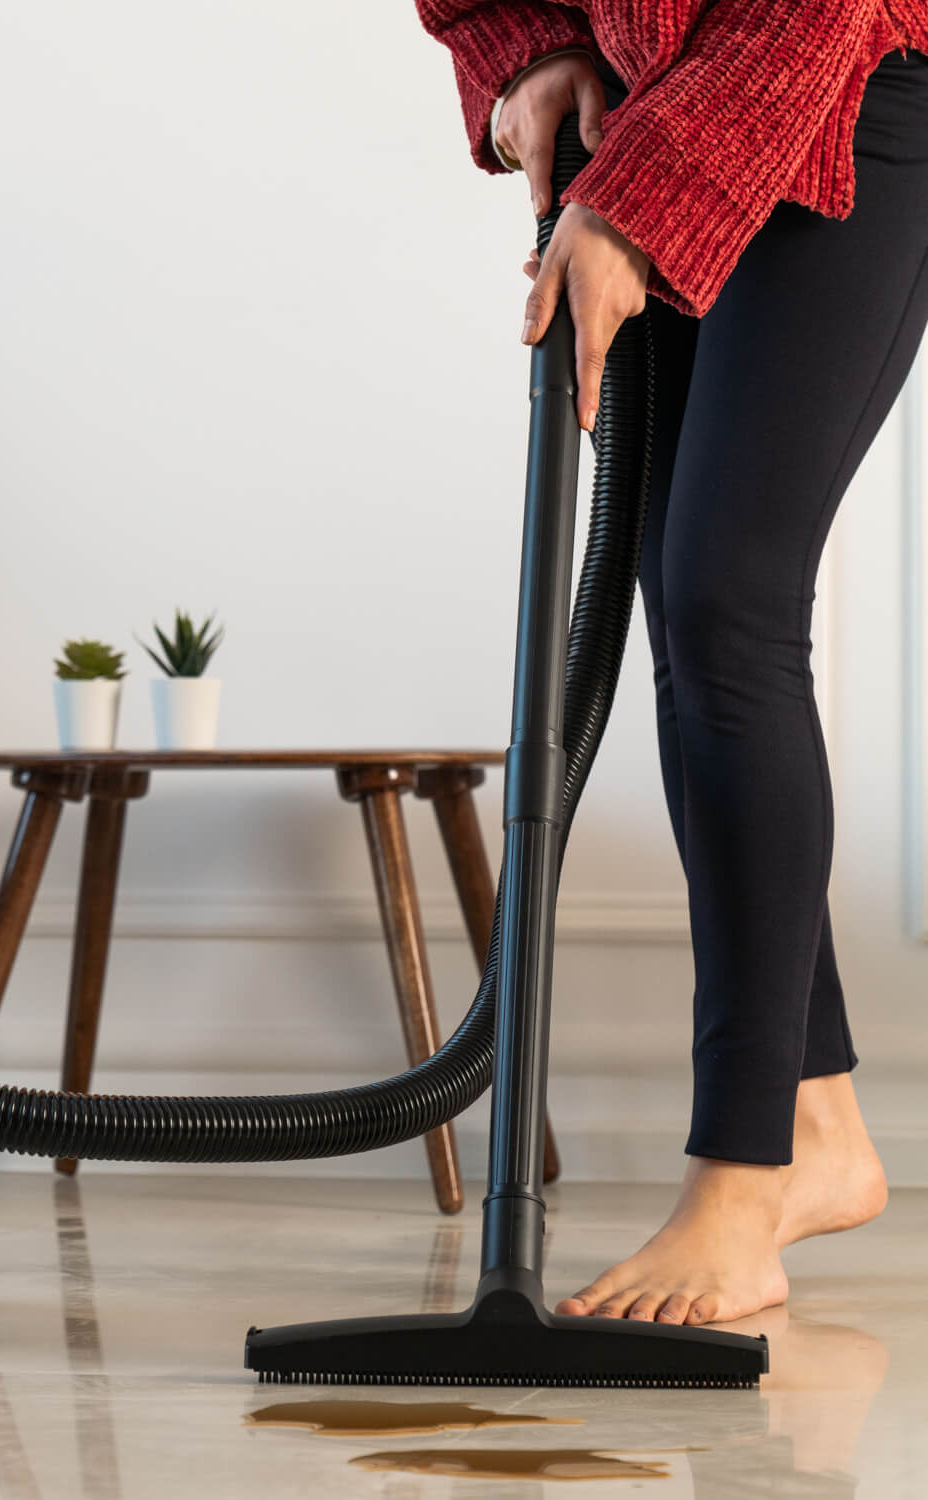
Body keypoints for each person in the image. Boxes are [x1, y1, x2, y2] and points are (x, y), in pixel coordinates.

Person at [414, 1, 928, 1327]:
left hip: (847, 73)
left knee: (730, 602)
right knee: (686, 607)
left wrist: (647, 201)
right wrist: (518, 49)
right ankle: (813, 1124)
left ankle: (742, 1180)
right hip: (662, 94)